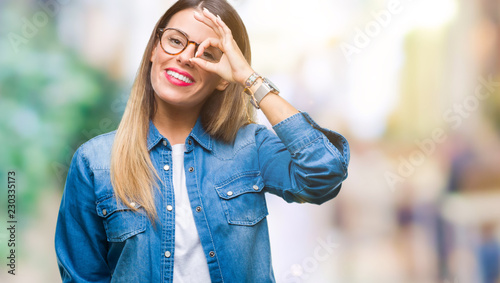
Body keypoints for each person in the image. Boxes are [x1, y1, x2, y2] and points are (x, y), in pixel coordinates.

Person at [54, 0, 350, 282]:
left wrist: (249, 79)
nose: (185, 57)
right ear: (153, 51)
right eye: (175, 41)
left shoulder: (250, 147)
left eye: (208, 54)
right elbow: (84, 276)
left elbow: (324, 172)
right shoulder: (95, 162)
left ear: (224, 77)